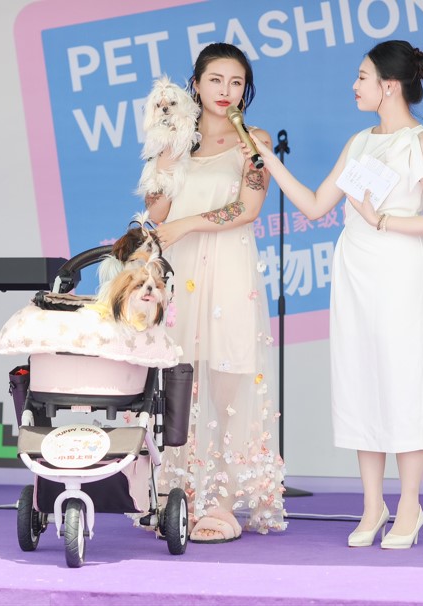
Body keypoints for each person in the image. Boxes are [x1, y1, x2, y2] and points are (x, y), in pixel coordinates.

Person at [246, 40, 423, 549]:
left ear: (390, 85)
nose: (354, 85)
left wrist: (382, 220)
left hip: (399, 272)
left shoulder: (422, 144)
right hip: (354, 271)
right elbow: (317, 204)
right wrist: (268, 161)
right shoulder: (359, 142)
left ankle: (409, 506)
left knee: (402, 382)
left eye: (362, 77)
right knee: (362, 382)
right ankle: (371, 505)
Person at [146, 42, 287, 542]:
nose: (226, 91)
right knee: (176, 387)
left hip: (228, 271)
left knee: (228, 386)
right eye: (216, 80)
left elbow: (247, 208)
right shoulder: (177, 141)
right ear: (197, 84)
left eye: (236, 82)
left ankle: (223, 504)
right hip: (179, 273)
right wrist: (167, 153)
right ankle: (174, 496)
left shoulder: (254, 140)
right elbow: (156, 213)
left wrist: (187, 225)